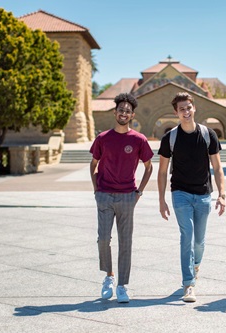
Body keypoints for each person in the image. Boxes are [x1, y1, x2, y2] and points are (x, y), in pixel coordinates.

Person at [157, 92, 226, 303]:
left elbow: (217, 166)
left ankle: (195, 265)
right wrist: (161, 200)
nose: (186, 112)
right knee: (186, 236)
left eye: (188, 107)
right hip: (180, 193)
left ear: (194, 108)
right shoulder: (170, 138)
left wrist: (222, 194)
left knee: (199, 241)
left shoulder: (208, 135)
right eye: (181, 109)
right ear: (176, 113)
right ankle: (188, 284)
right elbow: (162, 171)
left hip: (204, 194)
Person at [89, 93, 154, 303]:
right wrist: (96, 190)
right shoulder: (103, 138)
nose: (124, 113)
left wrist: (139, 192)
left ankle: (122, 286)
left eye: (127, 111)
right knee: (103, 239)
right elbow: (93, 164)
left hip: (128, 196)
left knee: (125, 242)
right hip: (105, 195)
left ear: (132, 115)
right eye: (121, 110)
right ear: (115, 112)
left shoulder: (138, 139)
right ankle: (108, 277)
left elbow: (149, 167)